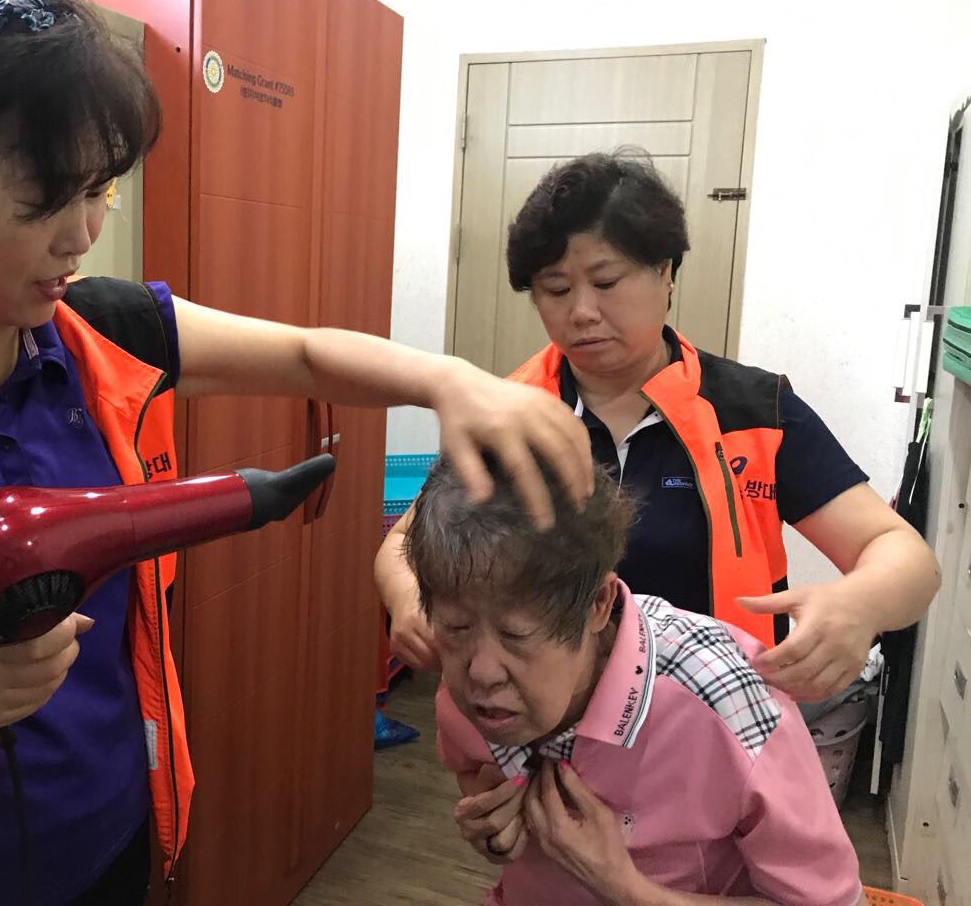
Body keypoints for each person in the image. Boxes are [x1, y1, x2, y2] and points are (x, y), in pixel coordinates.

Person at [0, 0, 594, 906]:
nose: (80, 235)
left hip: (110, 849)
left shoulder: (103, 333)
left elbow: (305, 354)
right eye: (44, 196)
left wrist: (452, 381)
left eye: (100, 191)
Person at [379, 149, 939, 704]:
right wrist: (407, 599)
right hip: (539, 729)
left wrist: (860, 604)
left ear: (665, 272)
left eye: (606, 281)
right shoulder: (509, 411)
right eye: (556, 289)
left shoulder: (753, 412)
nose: (581, 311)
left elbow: (903, 554)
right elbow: (404, 541)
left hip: (716, 723)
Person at [406, 454, 867, 906]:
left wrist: (626, 889)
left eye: (517, 635)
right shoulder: (467, 685)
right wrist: (490, 819)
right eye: (456, 627)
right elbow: (471, 767)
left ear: (597, 604)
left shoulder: (727, 704)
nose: (482, 673)